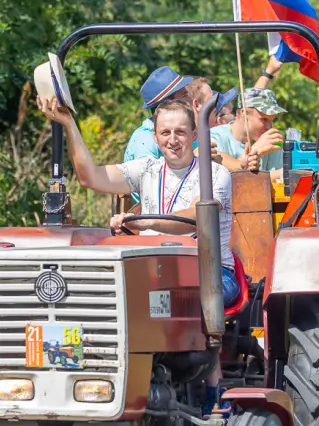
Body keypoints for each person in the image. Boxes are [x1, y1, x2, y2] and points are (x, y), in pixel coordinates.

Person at [40, 94, 241, 306]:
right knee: (100, 292)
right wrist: (69, 124)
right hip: (154, 269)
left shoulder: (215, 173)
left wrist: (143, 222)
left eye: (180, 132)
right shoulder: (146, 168)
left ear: (194, 133)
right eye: (165, 132)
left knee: (172, 298)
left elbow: (198, 216)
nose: (172, 140)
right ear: (155, 136)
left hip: (210, 271)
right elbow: (90, 177)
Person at [122, 67, 213, 163]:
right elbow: (148, 176)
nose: (191, 99)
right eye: (185, 95)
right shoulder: (145, 141)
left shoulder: (187, 131)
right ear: (169, 104)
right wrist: (193, 159)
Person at [211, 87, 285, 177]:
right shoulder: (215, 137)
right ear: (243, 113)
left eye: (272, 120)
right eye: (264, 119)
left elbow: (277, 184)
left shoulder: (271, 141)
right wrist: (255, 150)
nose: (269, 127)